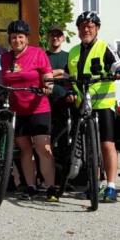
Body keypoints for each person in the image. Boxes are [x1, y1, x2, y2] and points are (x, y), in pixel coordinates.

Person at [66, 11, 120, 203]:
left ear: (97, 29)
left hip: (103, 104)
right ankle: (93, 184)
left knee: (107, 144)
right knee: (88, 148)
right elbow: (70, 77)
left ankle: (111, 186)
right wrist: (69, 90)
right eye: (83, 27)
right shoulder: (73, 52)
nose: (86, 29)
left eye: (90, 26)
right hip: (82, 105)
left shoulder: (104, 47)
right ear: (78, 30)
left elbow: (117, 63)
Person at [0, 20, 59, 202]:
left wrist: (48, 86)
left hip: (38, 107)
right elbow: (5, 80)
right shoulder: (6, 57)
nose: (17, 40)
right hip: (17, 109)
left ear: (26, 38)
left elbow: (47, 74)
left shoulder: (38, 53)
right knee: (25, 149)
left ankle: (50, 187)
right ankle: (31, 186)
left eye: (20, 37)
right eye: (13, 37)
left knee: (42, 147)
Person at [45, 25, 71, 168]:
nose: (55, 38)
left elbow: (72, 77)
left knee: (63, 140)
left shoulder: (68, 56)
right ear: (48, 38)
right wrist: (59, 72)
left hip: (64, 104)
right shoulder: (43, 56)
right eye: (52, 35)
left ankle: (63, 177)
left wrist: (52, 73)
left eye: (58, 35)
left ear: (63, 38)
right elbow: (40, 76)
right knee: (45, 139)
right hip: (45, 103)